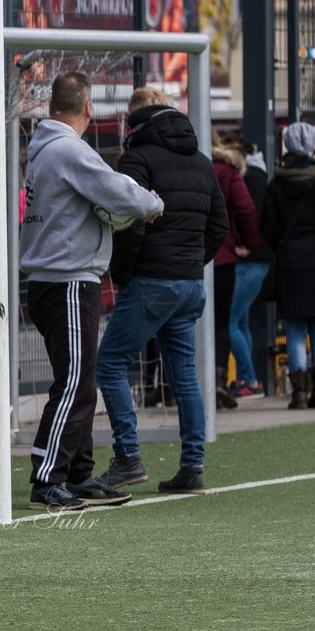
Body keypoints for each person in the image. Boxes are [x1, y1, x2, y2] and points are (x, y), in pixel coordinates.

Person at [20, 72, 164, 511]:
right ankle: (47, 477)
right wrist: (152, 203)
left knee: (79, 380)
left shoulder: (43, 148)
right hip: (67, 280)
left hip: (51, 279)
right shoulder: (69, 150)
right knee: (75, 384)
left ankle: (78, 473)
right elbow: (120, 192)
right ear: (87, 108)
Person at [96, 87, 227, 495]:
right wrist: (190, 262)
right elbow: (219, 226)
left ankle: (129, 458)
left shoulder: (136, 159)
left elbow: (132, 220)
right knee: (184, 374)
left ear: (134, 122)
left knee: (109, 363)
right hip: (189, 284)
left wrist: (124, 273)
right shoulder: (202, 162)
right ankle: (192, 465)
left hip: (152, 281)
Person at [261, 121, 315, 409]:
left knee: (293, 327)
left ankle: (299, 392)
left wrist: (283, 243)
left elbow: (267, 227)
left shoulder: (277, 184)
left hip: (291, 260)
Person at [210, 144, 261, 408]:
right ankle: (219, 377)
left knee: (184, 324)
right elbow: (245, 208)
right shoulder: (229, 173)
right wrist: (250, 245)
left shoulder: (190, 166)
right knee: (225, 323)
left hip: (191, 258)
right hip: (224, 256)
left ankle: (181, 382)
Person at [227, 142, 273, 400]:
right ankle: (247, 377)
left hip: (249, 258)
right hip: (259, 259)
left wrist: (247, 246)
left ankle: (250, 378)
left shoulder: (248, 179)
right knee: (241, 321)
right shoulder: (262, 177)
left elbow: (247, 215)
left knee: (230, 321)